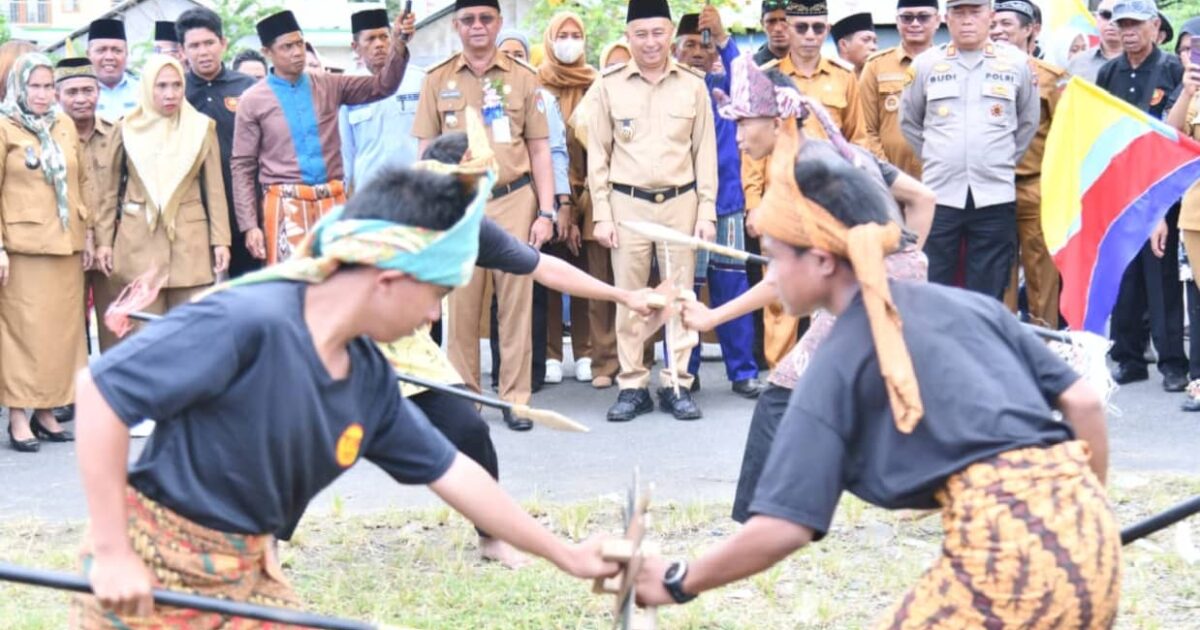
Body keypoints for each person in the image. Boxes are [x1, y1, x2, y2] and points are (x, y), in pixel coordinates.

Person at [69, 153, 617, 627]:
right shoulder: (249, 319)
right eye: (435, 294)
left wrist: (564, 555)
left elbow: (455, 474)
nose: (433, 315)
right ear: (387, 280)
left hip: (247, 570)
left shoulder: (367, 377)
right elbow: (100, 391)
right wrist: (113, 552)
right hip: (151, 567)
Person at [632, 115, 1120, 629]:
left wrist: (677, 579)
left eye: (775, 258)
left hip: (1003, 558)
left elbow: (782, 527)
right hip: (1094, 533)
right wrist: (1086, 522)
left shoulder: (838, 357)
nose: (770, 274)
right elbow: (1083, 402)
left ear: (821, 260)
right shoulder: (969, 307)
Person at [382, 127, 654, 564]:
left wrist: (624, 296)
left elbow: (545, 268)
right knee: (310, 446)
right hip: (348, 345)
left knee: (470, 432)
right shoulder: (382, 218)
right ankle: (263, 540)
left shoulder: (469, 225)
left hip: (410, 351)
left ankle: (491, 537)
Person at [693, 54, 933, 521]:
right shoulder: (839, 152)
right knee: (877, 393)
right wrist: (911, 259)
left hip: (872, 290)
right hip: (879, 282)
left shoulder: (803, 173)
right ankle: (929, 484)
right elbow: (924, 199)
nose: (738, 136)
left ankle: (753, 522)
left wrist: (712, 317)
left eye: (745, 123)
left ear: (780, 118)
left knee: (780, 397)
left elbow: (781, 282)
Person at [412, 0, 557, 430]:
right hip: (458, 203)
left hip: (514, 198)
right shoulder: (437, 80)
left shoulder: (524, 78)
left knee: (515, 303)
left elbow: (539, 150)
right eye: (469, 20)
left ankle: (516, 400)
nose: (477, 27)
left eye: (486, 19)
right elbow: (424, 153)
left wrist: (546, 210)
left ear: (498, 23)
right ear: (456, 25)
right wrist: (428, 212)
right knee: (461, 306)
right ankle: (466, 400)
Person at [587, 0, 718, 422]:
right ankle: (632, 385)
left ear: (670, 35)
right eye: (640, 34)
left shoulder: (693, 85)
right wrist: (603, 214)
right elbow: (598, 157)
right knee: (631, 299)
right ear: (628, 37)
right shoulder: (608, 85)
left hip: (681, 202)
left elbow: (705, 154)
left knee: (679, 298)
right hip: (627, 205)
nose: (649, 42)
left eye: (658, 33)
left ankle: (676, 382)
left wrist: (707, 211)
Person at [232, 9, 413, 266]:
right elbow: (242, 166)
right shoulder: (251, 100)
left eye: (299, 44)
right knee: (291, 290)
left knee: (338, 285)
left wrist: (400, 43)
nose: (297, 52)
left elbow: (384, 86)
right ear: (267, 53)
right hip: (286, 206)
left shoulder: (329, 84)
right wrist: (250, 225)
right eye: (287, 47)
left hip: (333, 201)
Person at [901, 0, 1039, 302]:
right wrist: (938, 157)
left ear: (990, 16)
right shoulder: (925, 65)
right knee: (934, 287)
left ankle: (979, 349)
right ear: (946, 19)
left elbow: (1028, 121)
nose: (967, 21)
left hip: (995, 195)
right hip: (940, 195)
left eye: (974, 12)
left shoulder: (1016, 64)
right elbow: (909, 121)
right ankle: (938, 350)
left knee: (988, 293)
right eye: (959, 13)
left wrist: (999, 161)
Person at [0, 53, 92, 453]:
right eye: (34, 86)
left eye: (47, 86)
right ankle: (18, 415)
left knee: (61, 334)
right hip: (22, 249)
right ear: (19, 86)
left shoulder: (63, 124)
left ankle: (46, 412)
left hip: (66, 244)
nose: (42, 94)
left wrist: (88, 235)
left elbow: (82, 182)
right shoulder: (5, 127)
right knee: (22, 334)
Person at [95, 53, 231, 321]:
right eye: (161, 86)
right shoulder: (126, 128)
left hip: (190, 244)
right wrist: (103, 243)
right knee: (142, 332)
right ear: (147, 88)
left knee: (190, 333)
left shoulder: (201, 128)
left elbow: (215, 191)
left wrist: (221, 241)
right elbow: (109, 192)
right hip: (138, 243)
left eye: (176, 85)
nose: (170, 94)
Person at [1096, 0, 1188, 391]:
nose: (1127, 31)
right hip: (1119, 184)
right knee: (1123, 276)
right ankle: (1129, 357)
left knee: (1161, 274)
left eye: (1135, 24)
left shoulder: (1173, 69)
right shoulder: (1109, 71)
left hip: (1160, 183)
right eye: (1122, 24)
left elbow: (1177, 132)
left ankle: (1171, 363)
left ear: (1155, 26)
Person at [673, 9, 761, 398]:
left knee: (732, 287)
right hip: (680, 205)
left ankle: (742, 372)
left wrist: (722, 40)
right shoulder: (671, 87)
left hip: (725, 203)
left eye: (703, 44)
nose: (696, 52)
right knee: (685, 291)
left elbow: (748, 76)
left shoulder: (727, 84)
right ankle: (684, 373)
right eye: (688, 44)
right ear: (674, 50)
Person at [540, 11, 619, 389]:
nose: (569, 41)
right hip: (548, 192)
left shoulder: (597, 83)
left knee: (588, 271)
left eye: (576, 35)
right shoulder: (536, 84)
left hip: (590, 191)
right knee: (550, 271)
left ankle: (587, 351)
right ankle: (552, 352)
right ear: (549, 40)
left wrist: (580, 200)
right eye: (562, 34)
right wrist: (559, 202)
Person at [493, 28, 573, 389]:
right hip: (489, 199)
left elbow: (553, 151)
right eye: (506, 53)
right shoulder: (487, 91)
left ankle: (533, 371)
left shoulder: (540, 96)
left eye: (519, 53)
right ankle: (500, 372)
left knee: (532, 284)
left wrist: (556, 204)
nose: (513, 59)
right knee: (498, 293)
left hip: (529, 198)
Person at [990, 0, 1065, 328]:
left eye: (1006, 24)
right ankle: (1002, 350)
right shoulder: (979, 73)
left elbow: (1065, 138)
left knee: (1041, 278)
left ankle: (1045, 346)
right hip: (992, 187)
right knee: (998, 276)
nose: (997, 31)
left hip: (1036, 186)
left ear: (1030, 29)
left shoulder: (1051, 79)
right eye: (993, 24)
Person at [177, 8, 260, 280]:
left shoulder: (249, 88)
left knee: (246, 285)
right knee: (201, 289)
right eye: (195, 45)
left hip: (244, 207)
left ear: (223, 44)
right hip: (196, 211)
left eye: (209, 43)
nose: (203, 52)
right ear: (182, 51)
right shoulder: (176, 93)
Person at [57, 58, 121, 354]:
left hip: (115, 246)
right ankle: (71, 394)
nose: (81, 99)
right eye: (72, 92)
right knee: (67, 325)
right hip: (67, 247)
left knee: (117, 323)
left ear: (99, 92)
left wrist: (102, 239)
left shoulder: (118, 133)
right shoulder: (50, 140)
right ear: (58, 97)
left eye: (88, 90)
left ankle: (115, 391)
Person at [339, 8, 427, 190]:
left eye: (384, 37)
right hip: (371, 194)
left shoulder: (421, 80)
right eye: (370, 39)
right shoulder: (349, 88)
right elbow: (345, 151)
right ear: (355, 47)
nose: (379, 44)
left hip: (417, 189)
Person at [858, 0, 939, 179]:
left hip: (941, 180)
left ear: (938, 21)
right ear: (897, 21)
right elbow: (866, 129)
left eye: (923, 17)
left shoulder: (950, 65)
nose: (915, 23)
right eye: (907, 18)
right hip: (891, 180)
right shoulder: (876, 66)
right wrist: (888, 175)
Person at [1168, 41, 1200, 409]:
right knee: (1198, 300)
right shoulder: (1194, 93)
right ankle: (1198, 377)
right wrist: (1187, 91)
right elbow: (1172, 137)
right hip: (1195, 214)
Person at [87, 19, 140, 120]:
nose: (109, 57)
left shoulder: (143, 89)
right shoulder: (78, 95)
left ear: (126, 54)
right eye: (101, 50)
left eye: (117, 50)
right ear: (88, 55)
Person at [1068, 0, 1123, 82]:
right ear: (1096, 18)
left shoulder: (1141, 62)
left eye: (1118, 17)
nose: (1112, 22)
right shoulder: (1078, 62)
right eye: (1106, 15)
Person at [753, 0, 793, 67]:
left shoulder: (812, 62)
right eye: (771, 21)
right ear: (762, 24)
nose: (778, 29)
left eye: (785, 21)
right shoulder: (750, 67)